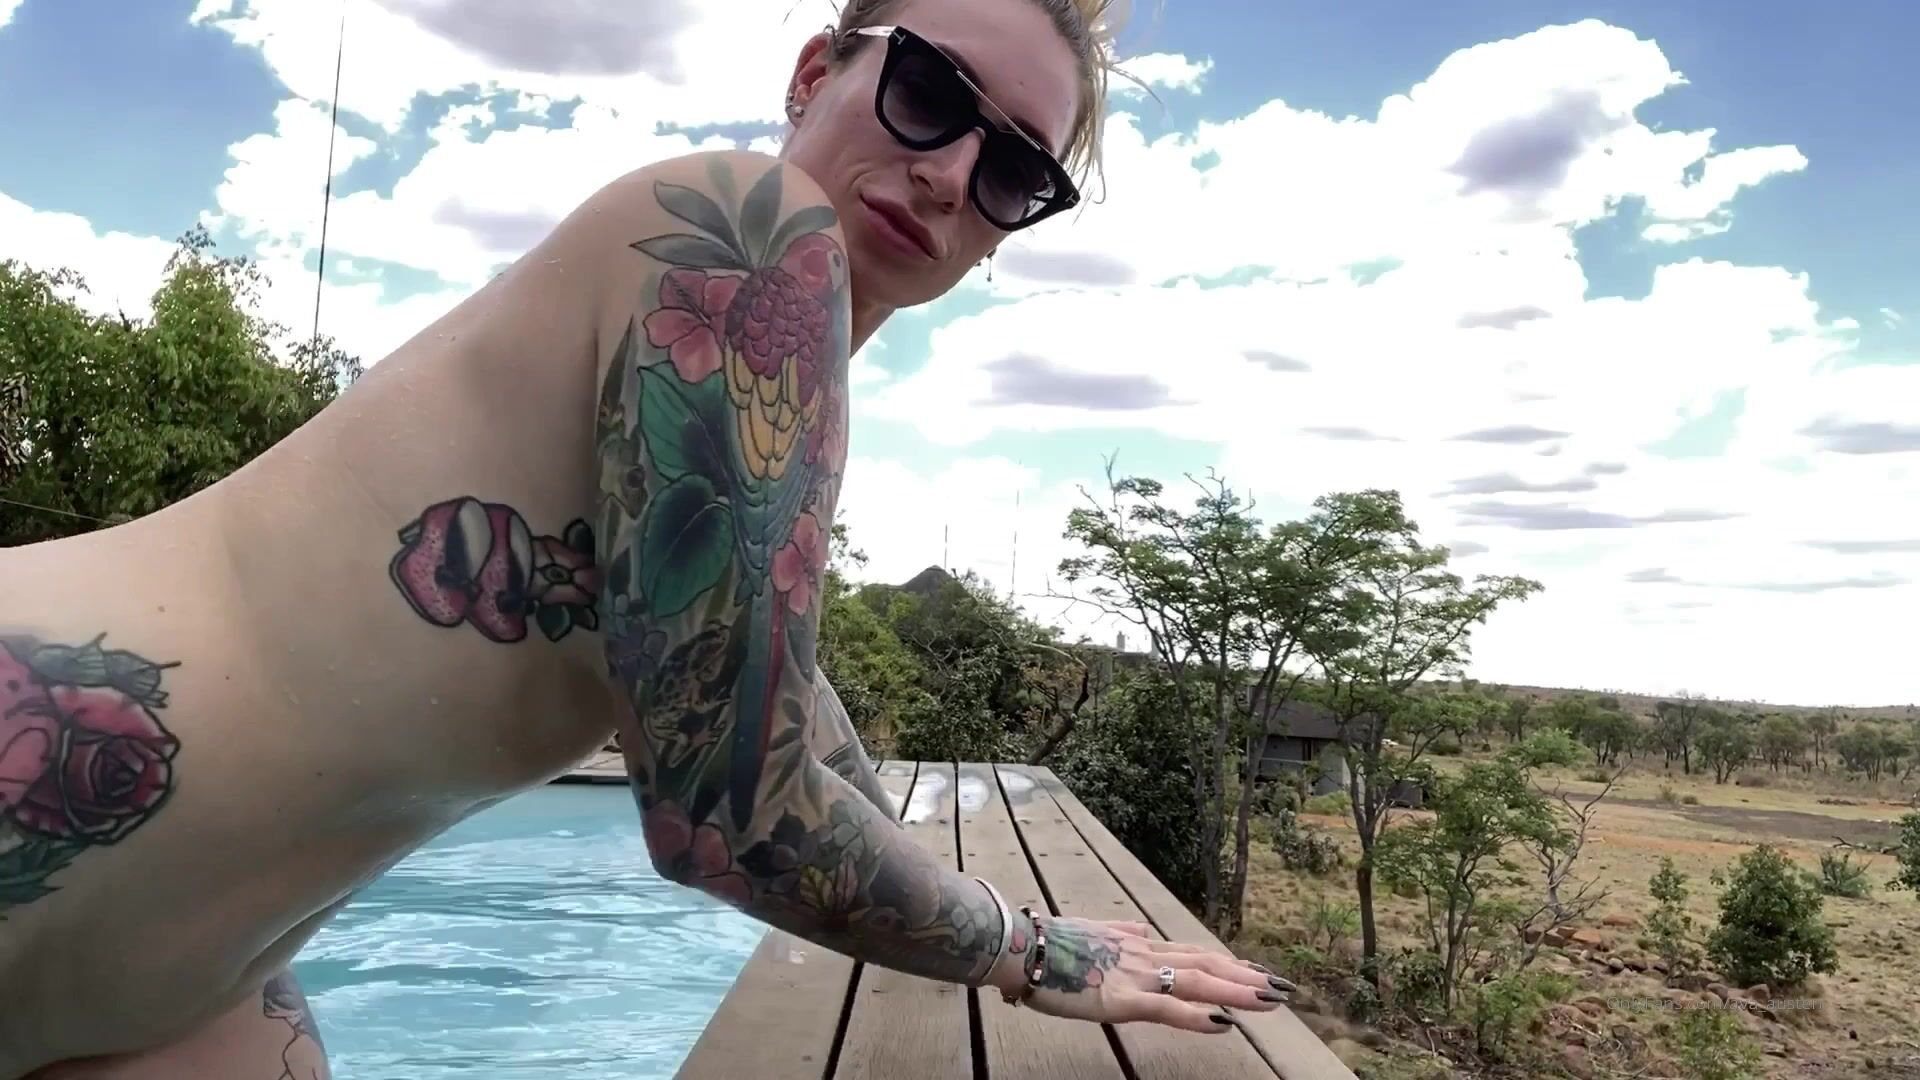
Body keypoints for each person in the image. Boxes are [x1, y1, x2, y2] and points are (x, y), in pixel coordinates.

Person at [0, 0, 1293, 1076]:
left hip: (188, 976)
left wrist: (1020, 910)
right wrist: (1029, 949)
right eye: (928, 91)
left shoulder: (752, 400)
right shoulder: (748, 230)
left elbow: (787, 712)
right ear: (816, 72)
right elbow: (735, 811)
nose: (952, 172)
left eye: (1014, 169)